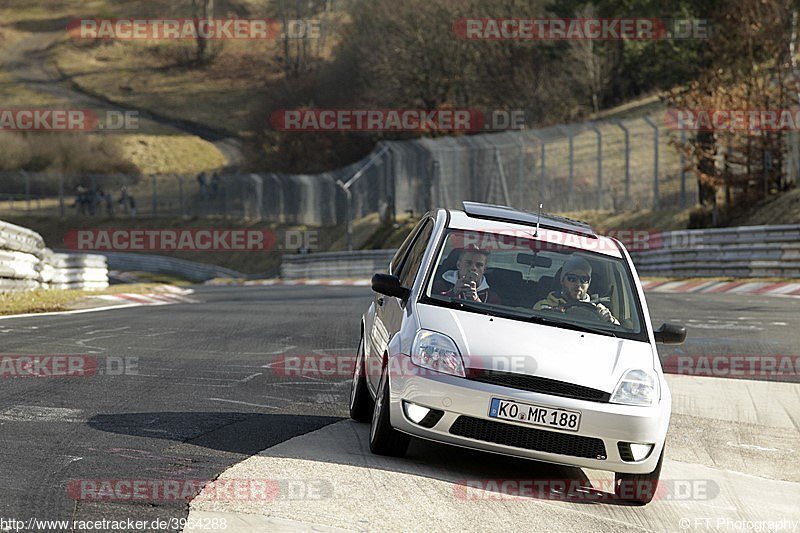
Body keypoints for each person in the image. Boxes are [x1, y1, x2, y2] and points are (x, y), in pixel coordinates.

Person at [534, 255, 619, 325]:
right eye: (572, 278)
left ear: (589, 283)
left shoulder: (598, 310)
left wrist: (610, 321)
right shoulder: (544, 305)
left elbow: (617, 332)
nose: (578, 284)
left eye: (584, 279)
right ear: (562, 280)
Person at [432, 246, 500, 304]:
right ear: (458, 265)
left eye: (479, 265)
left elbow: (489, 317)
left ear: (484, 270)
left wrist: (476, 300)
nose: (473, 268)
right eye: (468, 263)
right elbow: (431, 307)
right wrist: (453, 293)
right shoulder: (439, 286)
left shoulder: (491, 297)